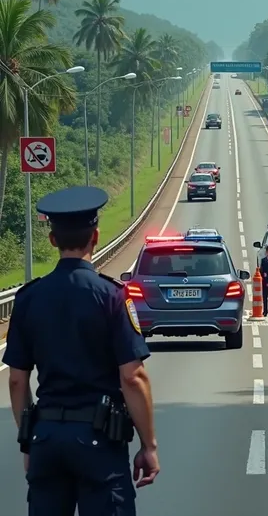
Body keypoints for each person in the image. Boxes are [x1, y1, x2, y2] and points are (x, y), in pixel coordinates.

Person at [3, 185, 159, 516]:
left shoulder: (28, 298)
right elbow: (133, 377)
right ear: (96, 236)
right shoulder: (112, 297)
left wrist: (29, 440)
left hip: (46, 439)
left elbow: (17, 381)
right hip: (99, 441)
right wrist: (148, 445)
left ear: (53, 240)